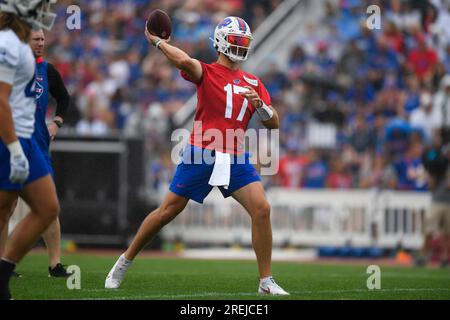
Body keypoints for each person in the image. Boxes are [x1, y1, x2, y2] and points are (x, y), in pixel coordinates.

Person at [105, 16, 289, 295]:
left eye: (243, 42)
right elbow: (184, 60)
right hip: (202, 150)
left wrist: (261, 106)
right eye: (236, 41)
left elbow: (274, 123)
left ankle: (266, 281)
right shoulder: (207, 72)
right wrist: (158, 43)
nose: (240, 47)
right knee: (167, 211)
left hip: (235, 154)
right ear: (221, 42)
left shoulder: (253, 81)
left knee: (262, 208)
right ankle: (124, 260)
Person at [0, 0, 59, 300]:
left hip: (23, 138)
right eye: (39, 5)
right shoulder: (7, 43)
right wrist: (14, 147)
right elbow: (1, 101)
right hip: (11, 139)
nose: (43, 11)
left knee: (48, 207)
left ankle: (1, 275)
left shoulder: (20, 43)